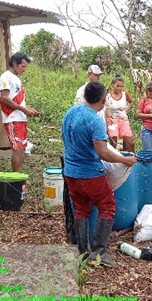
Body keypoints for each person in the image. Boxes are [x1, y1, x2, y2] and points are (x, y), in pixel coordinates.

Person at [62, 81, 137, 266]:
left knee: (81, 209)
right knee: (107, 206)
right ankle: (99, 252)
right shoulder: (95, 120)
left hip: (71, 172)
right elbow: (103, 152)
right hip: (89, 173)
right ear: (104, 100)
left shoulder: (70, 112)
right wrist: (124, 160)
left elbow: (65, 138)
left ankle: (82, 251)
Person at [0, 52, 39, 171]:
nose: (24, 70)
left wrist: (28, 109)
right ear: (15, 64)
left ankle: (19, 177)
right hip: (12, 118)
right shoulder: (5, 77)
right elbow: (4, 98)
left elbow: (17, 100)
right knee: (17, 149)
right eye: (23, 66)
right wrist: (24, 109)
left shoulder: (15, 78)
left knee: (22, 148)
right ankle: (16, 179)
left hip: (20, 118)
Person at [104, 75, 134, 152]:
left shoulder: (125, 95)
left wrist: (127, 109)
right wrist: (109, 118)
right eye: (117, 86)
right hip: (112, 121)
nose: (119, 88)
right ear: (112, 85)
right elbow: (106, 108)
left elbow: (131, 101)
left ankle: (130, 159)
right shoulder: (108, 96)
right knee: (113, 142)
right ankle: (112, 161)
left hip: (123, 120)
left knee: (129, 142)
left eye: (121, 86)